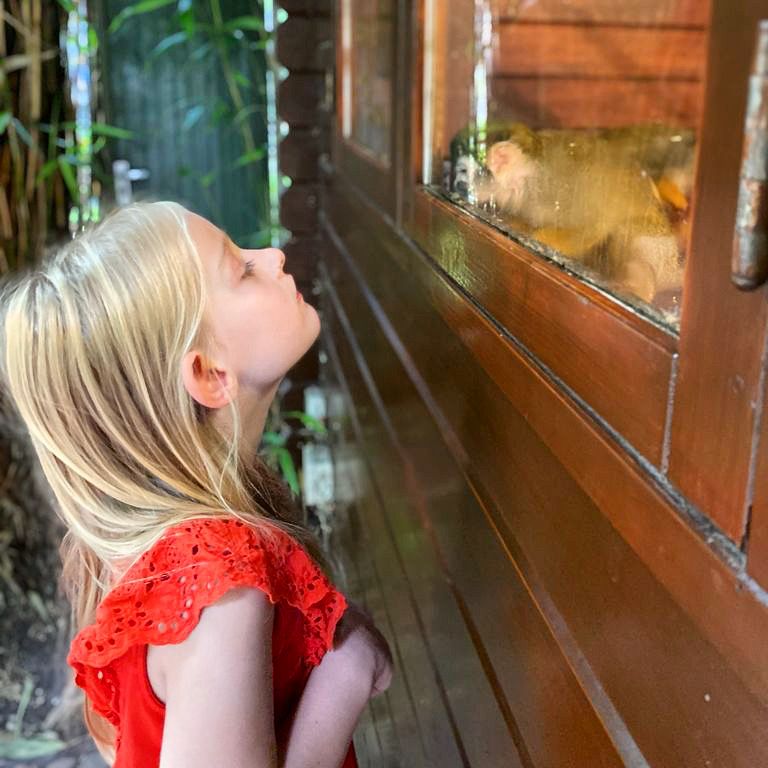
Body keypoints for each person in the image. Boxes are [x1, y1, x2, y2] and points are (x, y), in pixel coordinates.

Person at [0, 201, 393, 768]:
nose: (273, 256)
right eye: (241, 269)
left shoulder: (161, 546)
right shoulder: (218, 584)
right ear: (209, 374)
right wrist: (349, 670)